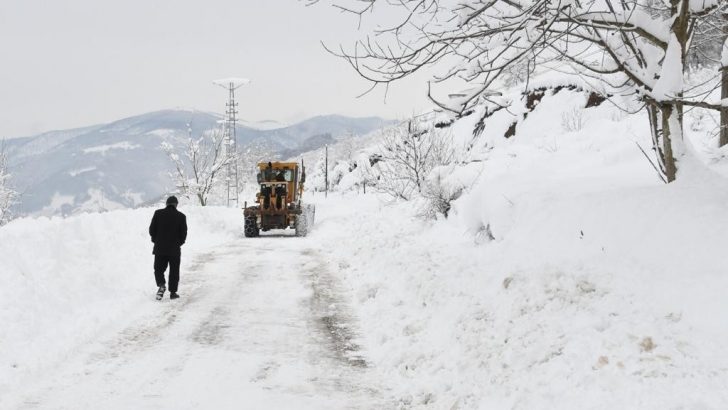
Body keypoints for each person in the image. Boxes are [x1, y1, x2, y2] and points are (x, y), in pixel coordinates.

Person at [148, 196, 187, 300]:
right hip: (174, 249)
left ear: (167, 204)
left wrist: (155, 240)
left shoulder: (158, 213)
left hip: (160, 248)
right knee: (174, 271)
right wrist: (179, 243)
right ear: (176, 204)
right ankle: (173, 293)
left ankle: (161, 285)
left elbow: (152, 230)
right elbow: (183, 234)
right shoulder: (181, 216)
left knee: (158, 269)